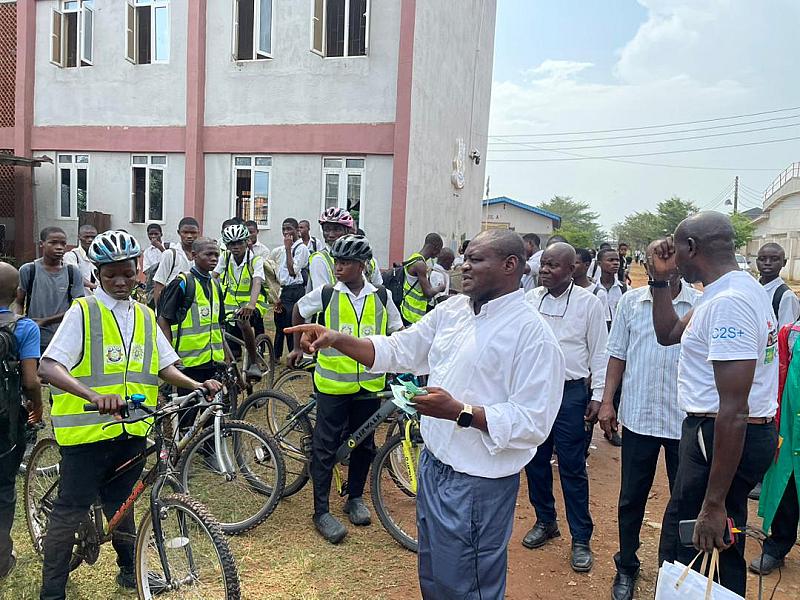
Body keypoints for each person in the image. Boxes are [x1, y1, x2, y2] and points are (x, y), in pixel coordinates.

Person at [286, 229, 564, 598]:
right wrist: (336, 338)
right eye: (466, 257)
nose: (465, 266)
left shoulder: (533, 335)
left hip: (477, 485)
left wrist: (460, 412)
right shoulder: (452, 311)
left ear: (510, 265)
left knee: (468, 585)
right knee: (434, 576)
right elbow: (398, 349)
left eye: (476, 259)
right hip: (433, 467)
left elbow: (533, 423)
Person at [36, 230, 222, 600]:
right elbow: (49, 366)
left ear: (138, 269)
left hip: (132, 430)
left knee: (122, 503)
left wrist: (195, 385)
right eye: (110, 275)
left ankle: (128, 570)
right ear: (98, 274)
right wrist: (94, 396)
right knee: (69, 511)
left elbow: (165, 365)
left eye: (127, 273)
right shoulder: (83, 312)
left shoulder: (145, 315)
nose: (120, 282)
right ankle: (52, 591)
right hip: (87, 434)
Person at [649, 212, 779, 596]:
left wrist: (714, 503)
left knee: (703, 540)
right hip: (719, 433)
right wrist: (660, 280)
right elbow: (669, 333)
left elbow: (735, 409)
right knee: (702, 537)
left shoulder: (730, 302)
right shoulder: (727, 291)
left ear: (691, 247)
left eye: (677, 250)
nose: (675, 260)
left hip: (721, 434)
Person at [597, 245, 701, 600]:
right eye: (658, 266)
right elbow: (617, 355)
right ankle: (626, 565)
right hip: (639, 417)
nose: (665, 272)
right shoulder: (631, 302)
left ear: (681, 266)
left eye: (670, 265)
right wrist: (607, 402)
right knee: (631, 499)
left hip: (683, 420)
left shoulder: (700, 305)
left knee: (684, 500)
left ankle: (673, 571)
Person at [287, 235, 402, 544]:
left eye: (346, 262)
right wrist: (299, 345)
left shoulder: (382, 297)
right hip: (333, 387)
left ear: (362, 266)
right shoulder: (326, 294)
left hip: (369, 386)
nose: (338, 267)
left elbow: (396, 331)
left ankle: (355, 498)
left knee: (363, 445)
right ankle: (321, 511)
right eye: (336, 261)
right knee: (325, 448)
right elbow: (299, 309)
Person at [523, 242, 608, 573]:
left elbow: (600, 352)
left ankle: (581, 538)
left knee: (572, 467)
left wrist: (598, 396)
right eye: (543, 264)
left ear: (571, 269)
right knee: (535, 460)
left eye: (553, 265)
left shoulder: (589, 304)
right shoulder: (531, 300)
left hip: (571, 394)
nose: (544, 270)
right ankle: (546, 521)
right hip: (535, 392)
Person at [0, 262, 43, 580]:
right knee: (4, 487)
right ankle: (2, 558)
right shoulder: (24, 327)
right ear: (17, 292)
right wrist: (37, 406)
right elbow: (30, 380)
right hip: (7, 419)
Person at [751, 314, 800, 576]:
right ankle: (777, 546)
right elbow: (778, 377)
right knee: (787, 486)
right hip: (792, 427)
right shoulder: (791, 334)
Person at [158, 238, 226, 396]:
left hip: (213, 362)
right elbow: (163, 319)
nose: (214, 259)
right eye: (208, 254)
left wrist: (226, 355)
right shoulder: (182, 283)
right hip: (188, 364)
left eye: (216, 255)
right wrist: (169, 356)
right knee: (188, 408)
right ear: (194, 255)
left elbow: (218, 324)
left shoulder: (216, 284)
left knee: (212, 406)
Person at [15, 227, 85, 355]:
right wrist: (18, 324)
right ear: (42, 243)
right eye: (53, 243)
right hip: (34, 339)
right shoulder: (28, 270)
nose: (59, 247)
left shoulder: (73, 272)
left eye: (63, 244)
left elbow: (78, 308)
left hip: (63, 339)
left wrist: (45, 321)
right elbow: (19, 302)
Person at [214, 224, 267, 379]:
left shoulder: (255, 260)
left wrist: (251, 304)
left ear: (246, 242)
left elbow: (257, 281)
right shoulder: (225, 258)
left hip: (254, 304)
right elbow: (213, 277)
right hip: (230, 305)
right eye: (231, 244)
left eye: (239, 243)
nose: (235, 247)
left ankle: (254, 362)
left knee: (243, 321)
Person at [274, 218, 310, 361]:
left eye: (289, 229)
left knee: (291, 325)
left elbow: (292, 271)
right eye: (284, 229)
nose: (286, 232)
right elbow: (282, 275)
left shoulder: (301, 249)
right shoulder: (284, 248)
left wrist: (289, 249)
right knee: (279, 324)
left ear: (297, 230)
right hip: (285, 290)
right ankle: (276, 356)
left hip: (295, 290)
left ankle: (294, 357)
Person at [152, 217, 200, 308]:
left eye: (193, 233)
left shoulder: (201, 255)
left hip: (194, 307)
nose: (189, 236)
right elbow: (159, 284)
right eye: (185, 232)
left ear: (198, 232)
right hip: (172, 307)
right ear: (179, 232)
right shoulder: (170, 254)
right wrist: (159, 311)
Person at [400, 233, 444, 326]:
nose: (438, 255)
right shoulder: (420, 265)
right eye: (439, 250)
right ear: (435, 248)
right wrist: (441, 287)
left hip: (408, 310)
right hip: (411, 314)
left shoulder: (414, 258)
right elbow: (428, 293)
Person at [310, 208, 355, 290]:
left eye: (337, 229)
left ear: (347, 231)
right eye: (326, 230)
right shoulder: (319, 259)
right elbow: (321, 293)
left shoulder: (364, 258)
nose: (331, 235)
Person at [757, 242, 800, 330]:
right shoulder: (751, 288)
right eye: (762, 259)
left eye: (774, 259)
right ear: (756, 261)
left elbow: (785, 334)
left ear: (784, 262)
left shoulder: (787, 297)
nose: (767, 263)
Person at [573, 247, 610, 322]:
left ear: (587, 265)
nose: (571, 266)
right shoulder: (564, 290)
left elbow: (604, 321)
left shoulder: (598, 294)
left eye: (576, 263)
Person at [63, 224, 98, 295]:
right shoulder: (71, 256)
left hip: (99, 298)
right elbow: (75, 277)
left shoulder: (99, 255)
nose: (90, 240)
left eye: (93, 237)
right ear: (79, 237)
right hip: (80, 298)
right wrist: (96, 287)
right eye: (86, 237)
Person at [598, 247, 627, 322]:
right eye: (610, 260)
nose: (616, 263)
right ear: (599, 264)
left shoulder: (625, 289)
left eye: (617, 260)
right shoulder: (593, 289)